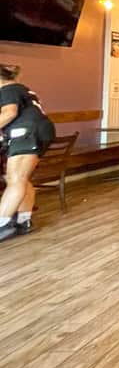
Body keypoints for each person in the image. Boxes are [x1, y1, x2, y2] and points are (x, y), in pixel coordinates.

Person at [0, 65, 56, 242]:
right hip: (39, 132)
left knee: (15, 179)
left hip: (26, 133)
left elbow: (9, 113)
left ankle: (2, 224)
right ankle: (24, 221)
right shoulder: (22, 89)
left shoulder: (8, 89)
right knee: (20, 179)